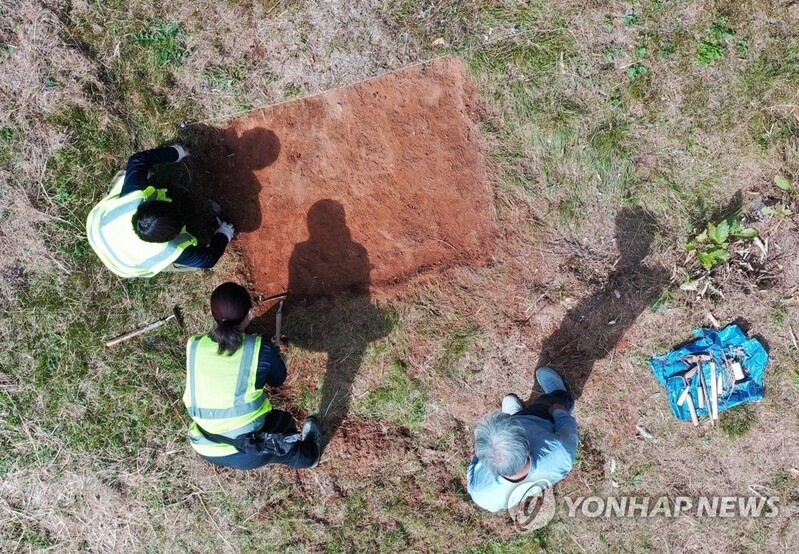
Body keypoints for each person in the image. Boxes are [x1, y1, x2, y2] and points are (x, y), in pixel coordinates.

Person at [183, 282, 322, 470]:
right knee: (283, 428)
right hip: (247, 450)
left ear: (213, 315)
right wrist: (276, 358)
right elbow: (277, 379)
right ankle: (309, 457)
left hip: (206, 444)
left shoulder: (195, 344)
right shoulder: (258, 347)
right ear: (250, 313)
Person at [86, 145, 235, 278]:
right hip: (125, 265)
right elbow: (207, 260)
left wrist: (176, 152)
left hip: (97, 227)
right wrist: (224, 234)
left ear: (146, 204)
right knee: (188, 263)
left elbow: (138, 159)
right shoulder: (168, 250)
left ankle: (144, 175)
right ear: (171, 238)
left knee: (128, 176)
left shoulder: (133, 198)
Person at [467, 367, 579, 512]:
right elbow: (568, 427)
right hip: (541, 419)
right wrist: (558, 412)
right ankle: (560, 395)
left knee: (516, 420)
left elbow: (474, 460)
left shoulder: (482, 495)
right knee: (552, 402)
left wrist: (475, 460)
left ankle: (516, 415)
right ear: (527, 447)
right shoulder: (560, 454)